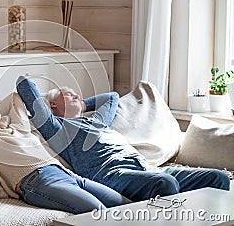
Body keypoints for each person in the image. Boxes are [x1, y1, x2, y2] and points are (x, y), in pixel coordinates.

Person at [16, 76, 231, 202]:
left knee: (218, 178)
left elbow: (112, 97)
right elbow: (23, 83)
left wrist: (82, 106)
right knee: (166, 184)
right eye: (68, 94)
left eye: (77, 95)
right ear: (52, 105)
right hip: (113, 175)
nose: (76, 96)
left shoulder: (97, 121)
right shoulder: (57, 128)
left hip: (147, 167)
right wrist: (48, 103)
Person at [0, 93, 131, 214]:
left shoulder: (18, 128)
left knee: (126, 205)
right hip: (38, 182)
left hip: (66, 173)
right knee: (97, 212)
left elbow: (15, 97)